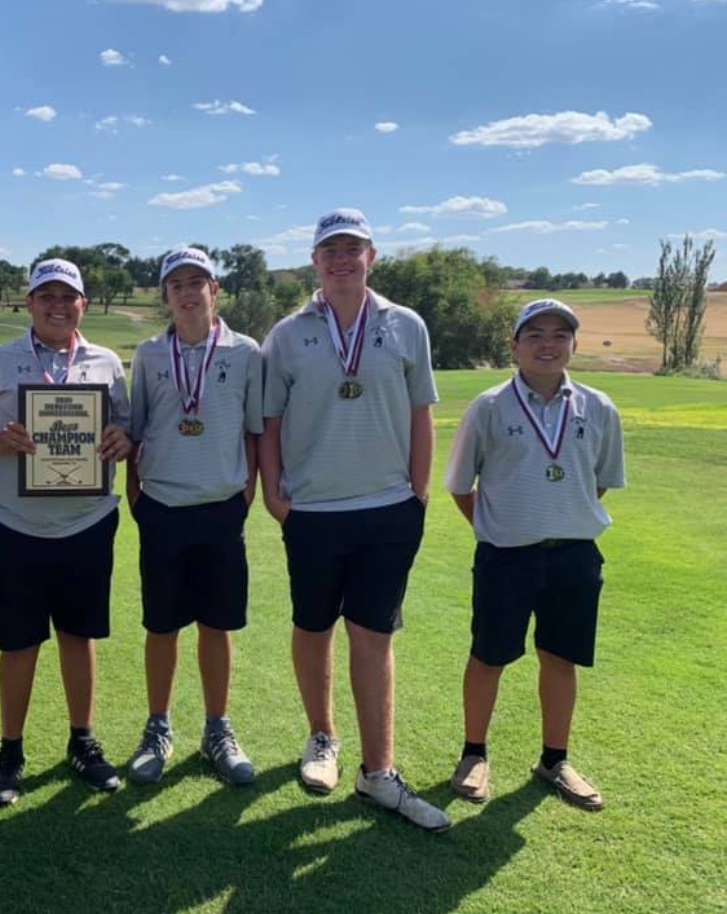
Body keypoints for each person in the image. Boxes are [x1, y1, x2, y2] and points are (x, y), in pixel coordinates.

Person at [259, 208, 450, 831]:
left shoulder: (406, 326)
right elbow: (272, 421)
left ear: (373, 256)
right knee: (313, 627)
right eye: (330, 250)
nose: (342, 259)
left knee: (373, 634)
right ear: (314, 262)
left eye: (353, 248)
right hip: (311, 510)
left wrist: (418, 493)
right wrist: (275, 496)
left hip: (388, 509)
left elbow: (423, 411)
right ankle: (322, 738)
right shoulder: (288, 334)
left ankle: (379, 773)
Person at [0, 258, 132, 807]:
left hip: (87, 523)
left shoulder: (105, 362)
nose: (58, 305)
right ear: (28, 302)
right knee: (18, 643)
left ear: (83, 303)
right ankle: (10, 750)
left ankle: (82, 741)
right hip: (15, 525)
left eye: (68, 296)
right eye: (46, 295)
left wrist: (122, 442)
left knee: (79, 638)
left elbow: (124, 428)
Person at [445, 298, 625, 810]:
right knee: (489, 656)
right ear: (515, 346)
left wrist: (559, 519)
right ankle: (474, 754)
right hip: (507, 558)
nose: (548, 345)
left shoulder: (599, 406)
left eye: (559, 335)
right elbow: (461, 486)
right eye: (536, 335)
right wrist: (503, 527)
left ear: (573, 344)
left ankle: (554, 759)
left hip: (574, 556)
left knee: (560, 658)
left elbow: (601, 483)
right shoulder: (488, 407)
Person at [124, 247, 263, 786]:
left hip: (221, 509)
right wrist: (137, 499)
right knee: (162, 626)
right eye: (176, 284)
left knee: (217, 624)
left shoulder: (246, 352)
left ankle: (216, 729)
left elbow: (255, 434)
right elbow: (134, 433)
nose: (188, 292)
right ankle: (158, 727)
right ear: (166, 295)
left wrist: (243, 497)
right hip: (161, 508)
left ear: (215, 290)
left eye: (197, 282)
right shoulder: (149, 354)